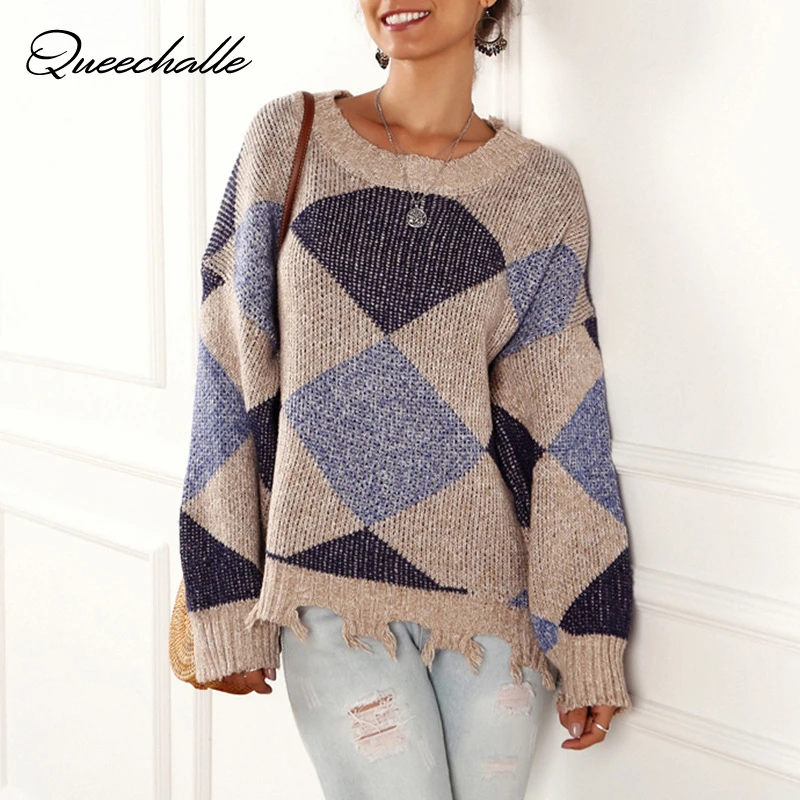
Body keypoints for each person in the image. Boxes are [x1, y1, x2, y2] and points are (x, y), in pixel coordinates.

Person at [177, 0, 634, 797]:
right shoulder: (288, 138)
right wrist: (223, 599)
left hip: (494, 610)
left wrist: (589, 636)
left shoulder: (541, 188)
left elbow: (565, 425)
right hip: (328, 593)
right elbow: (230, 368)